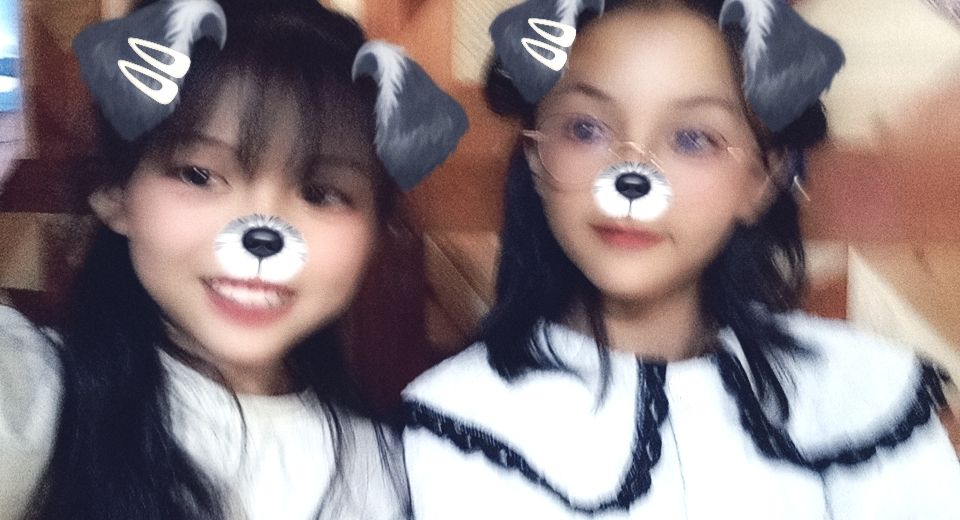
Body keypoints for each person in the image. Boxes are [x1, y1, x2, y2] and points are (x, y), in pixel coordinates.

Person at [401, 0, 960, 518]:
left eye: (693, 139)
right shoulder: (455, 419)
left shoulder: (865, 395)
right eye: (585, 129)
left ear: (764, 178)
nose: (632, 175)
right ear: (534, 153)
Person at [0, 0, 465, 518]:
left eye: (320, 193)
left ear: (377, 228)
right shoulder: (41, 392)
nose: (263, 230)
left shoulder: (400, 467)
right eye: (199, 175)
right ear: (114, 191)